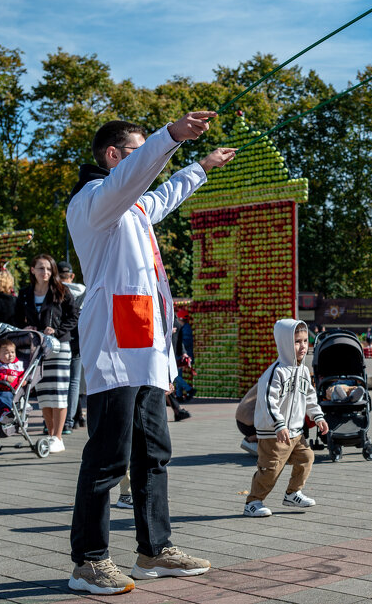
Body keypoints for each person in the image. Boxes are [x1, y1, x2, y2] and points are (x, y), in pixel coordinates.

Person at [66, 112, 235, 595]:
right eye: (138, 154)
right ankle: (89, 560)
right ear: (114, 157)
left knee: (154, 452)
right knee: (108, 455)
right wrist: (171, 136)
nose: (148, 165)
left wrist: (200, 166)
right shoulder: (94, 201)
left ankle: (153, 550)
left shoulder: (133, 207)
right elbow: (137, 179)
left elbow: (162, 196)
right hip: (117, 347)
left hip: (145, 345)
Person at [243, 319, 329, 517]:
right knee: (271, 469)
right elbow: (268, 402)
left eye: (305, 341)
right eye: (297, 342)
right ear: (284, 343)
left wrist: (318, 416)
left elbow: (309, 396)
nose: (302, 346)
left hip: (296, 432)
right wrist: (278, 424)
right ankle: (253, 501)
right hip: (274, 433)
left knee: (307, 457)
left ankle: (293, 493)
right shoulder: (275, 372)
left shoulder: (304, 370)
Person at [15, 254, 78, 452]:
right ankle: (51, 435)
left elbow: (74, 315)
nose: (46, 272)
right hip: (37, 348)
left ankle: (58, 437)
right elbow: (17, 318)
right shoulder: (25, 294)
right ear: (32, 270)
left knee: (58, 393)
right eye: (41, 268)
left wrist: (57, 331)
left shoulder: (61, 291)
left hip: (59, 348)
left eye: (49, 269)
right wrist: (27, 327)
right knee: (44, 394)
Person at [58, 261, 87, 435]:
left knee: (60, 380)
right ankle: (72, 418)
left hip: (60, 337)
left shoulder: (53, 290)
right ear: (72, 276)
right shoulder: (83, 290)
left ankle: (67, 419)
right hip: (78, 337)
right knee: (74, 380)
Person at [236, 382, 260, 455]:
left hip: (242, 419)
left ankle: (257, 439)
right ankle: (251, 439)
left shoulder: (270, 374)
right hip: (250, 422)